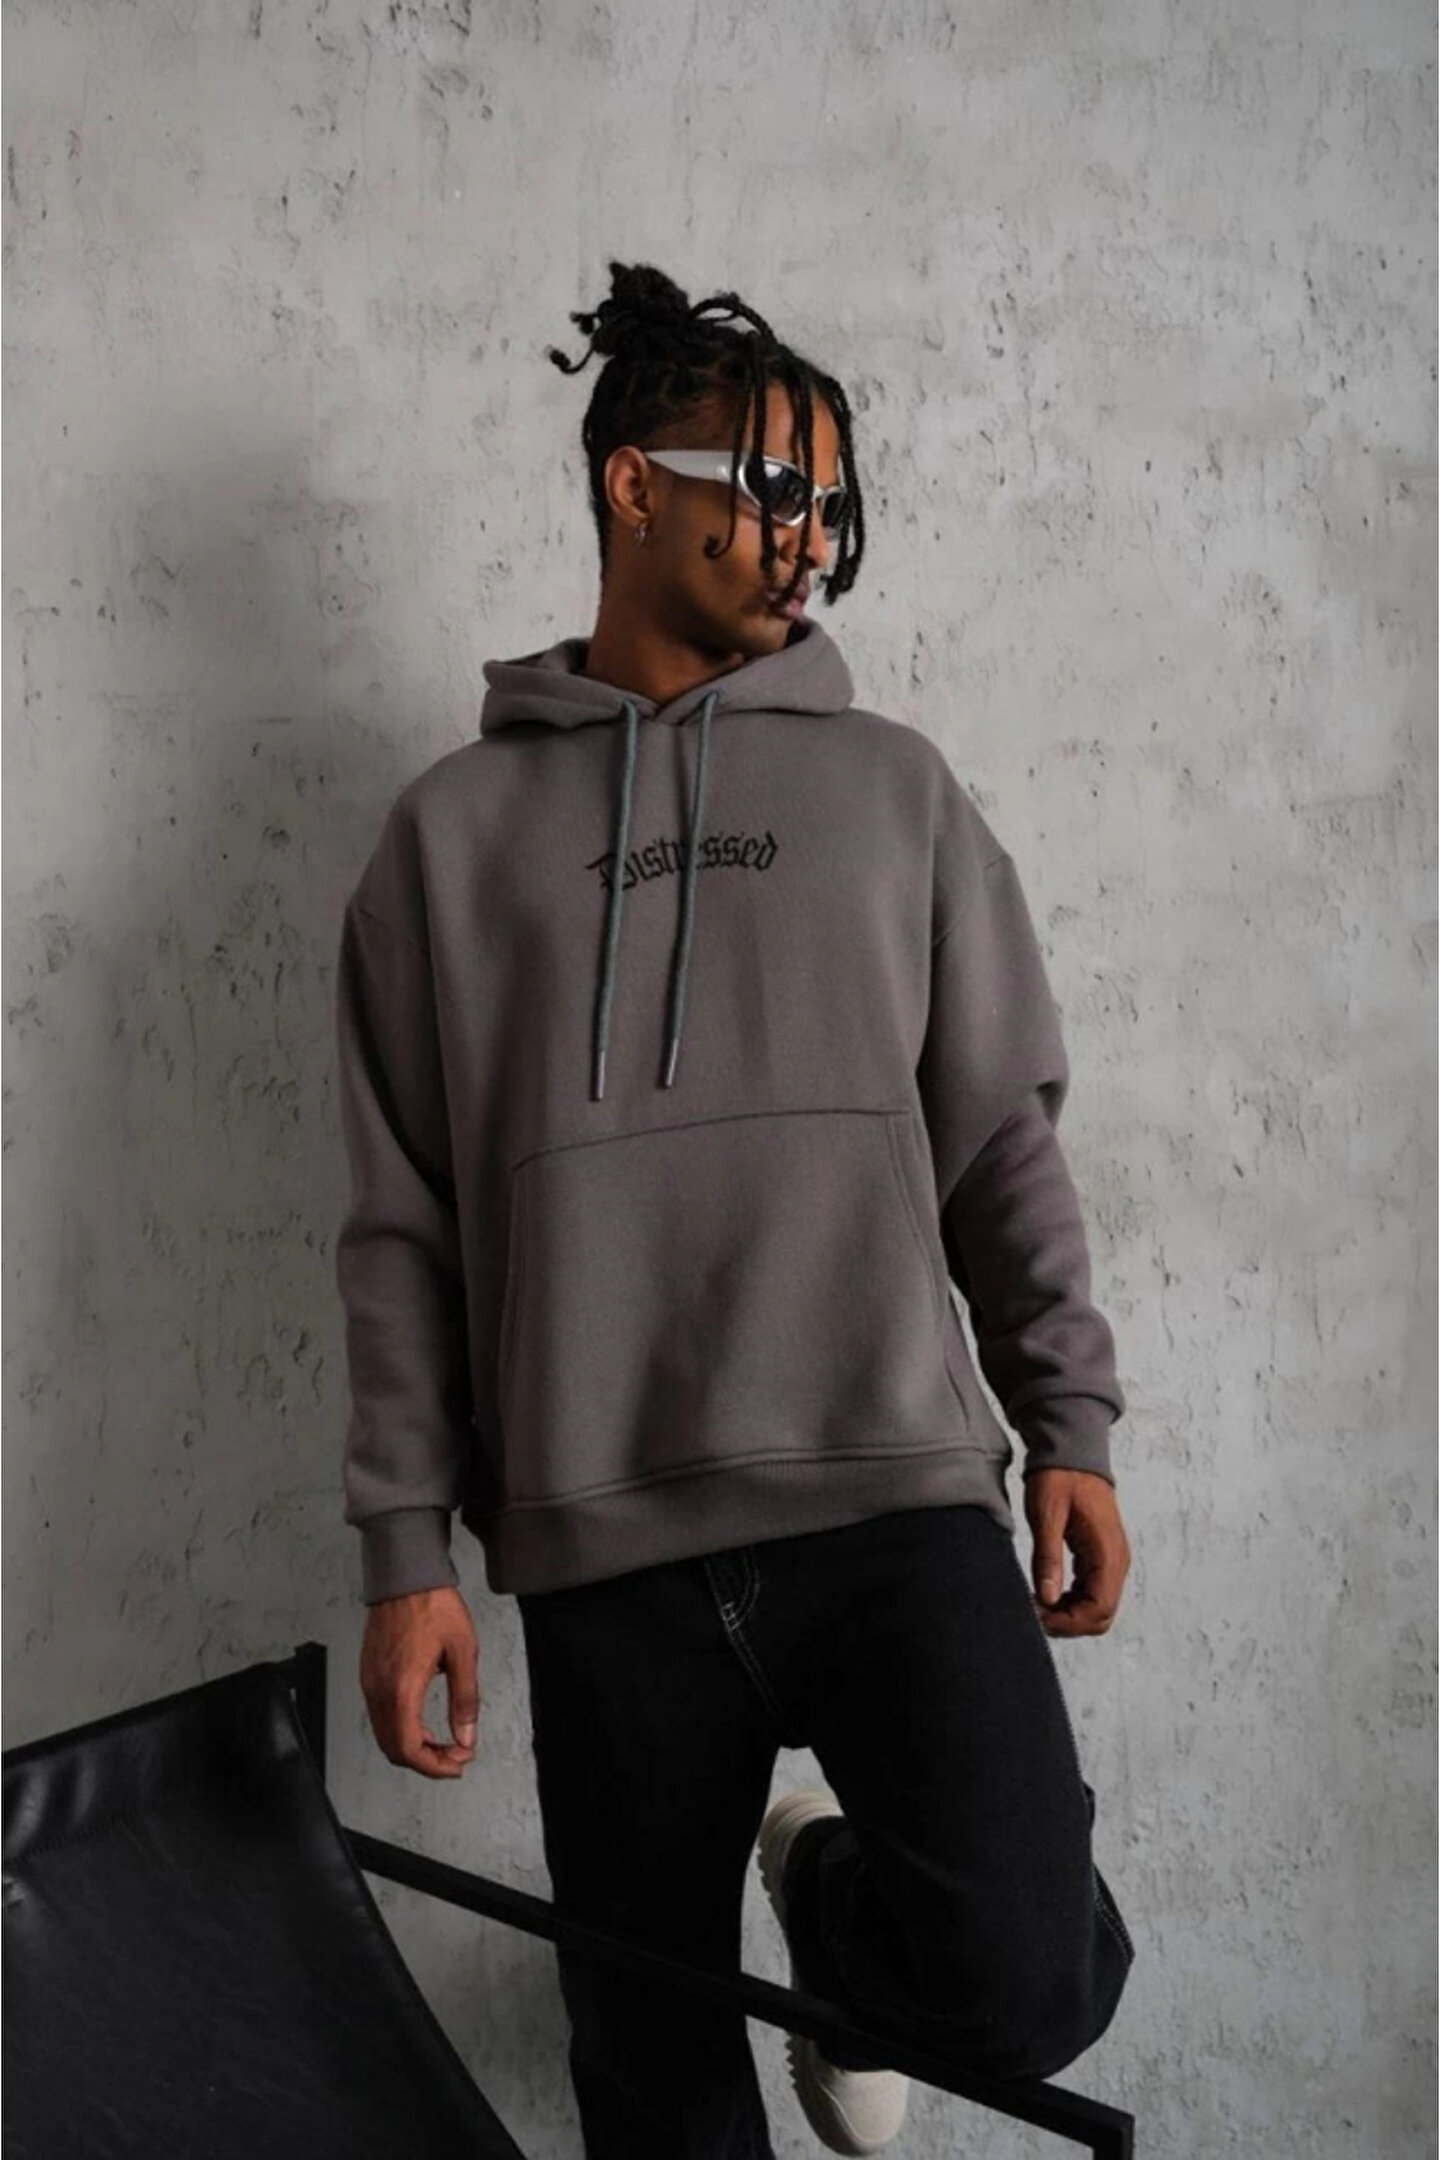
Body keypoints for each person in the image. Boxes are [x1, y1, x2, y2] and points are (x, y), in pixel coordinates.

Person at [333, 259, 1136, 2159]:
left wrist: (1070, 1423)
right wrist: (402, 1550)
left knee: (1032, 1976)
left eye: (832, 504)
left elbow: (1000, 1143)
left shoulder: (897, 795)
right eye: (775, 489)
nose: (812, 540)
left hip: (892, 1499)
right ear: (635, 486)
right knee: (659, 2096)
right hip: (603, 1549)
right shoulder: (446, 841)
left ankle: (830, 1897)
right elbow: (400, 1230)